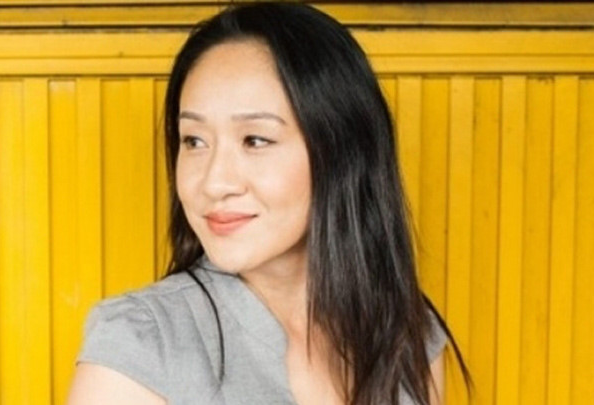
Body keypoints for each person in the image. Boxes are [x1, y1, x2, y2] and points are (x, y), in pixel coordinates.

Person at [67, 2, 472, 404]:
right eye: (194, 140)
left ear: (341, 152)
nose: (214, 182)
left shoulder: (404, 333)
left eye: (255, 140)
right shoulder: (138, 349)